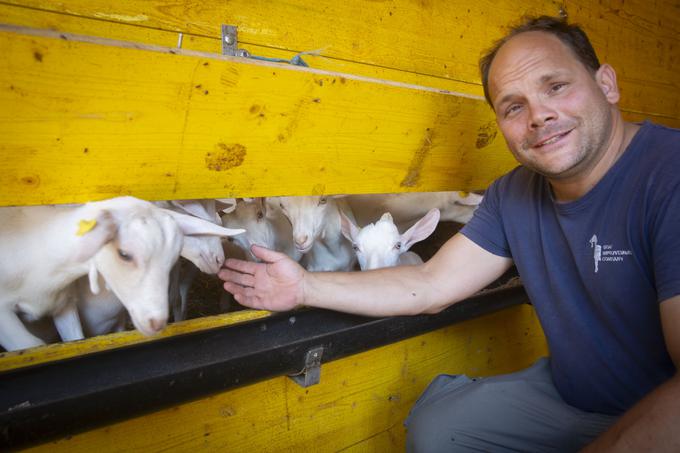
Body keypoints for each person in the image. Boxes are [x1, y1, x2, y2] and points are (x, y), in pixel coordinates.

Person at [218, 15, 680, 452]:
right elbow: (431, 284)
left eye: (556, 87)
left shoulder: (669, 175)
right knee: (439, 430)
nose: (538, 116)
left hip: (659, 408)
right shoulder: (514, 194)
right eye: (513, 107)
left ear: (607, 84)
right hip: (574, 395)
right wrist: (304, 286)